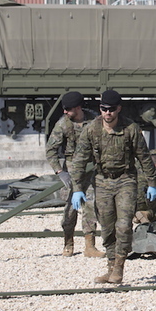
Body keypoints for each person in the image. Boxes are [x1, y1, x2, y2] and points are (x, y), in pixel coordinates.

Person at [70, 89, 156, 285]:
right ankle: (110, 265)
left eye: (111, 109)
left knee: (124, 225)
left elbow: (144, 158)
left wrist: (152, 183)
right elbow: (79, 160)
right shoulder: (92, 129)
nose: (107, 113)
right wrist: (77, 188)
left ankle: (119, 268)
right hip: (102, 181)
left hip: (126, 180)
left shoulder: (131, 129)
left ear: (119, 109)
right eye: (103, 109)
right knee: (107, 227)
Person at [44, 91, 103, 258]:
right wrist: (60, 172)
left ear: (78, 108)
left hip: (90, 168)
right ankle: (68, 243)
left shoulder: (94, 120)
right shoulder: (63, 124)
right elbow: (50, 150)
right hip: (71, 169)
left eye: (68, 109)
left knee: (90, 205)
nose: (65, 112)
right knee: (70, 209)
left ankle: (90, 246)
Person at [134, 149, 156, 224]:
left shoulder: (135, 168)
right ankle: (145, 214)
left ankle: (134, 216)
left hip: (128, 202)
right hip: (141, 202)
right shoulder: (155, 172)